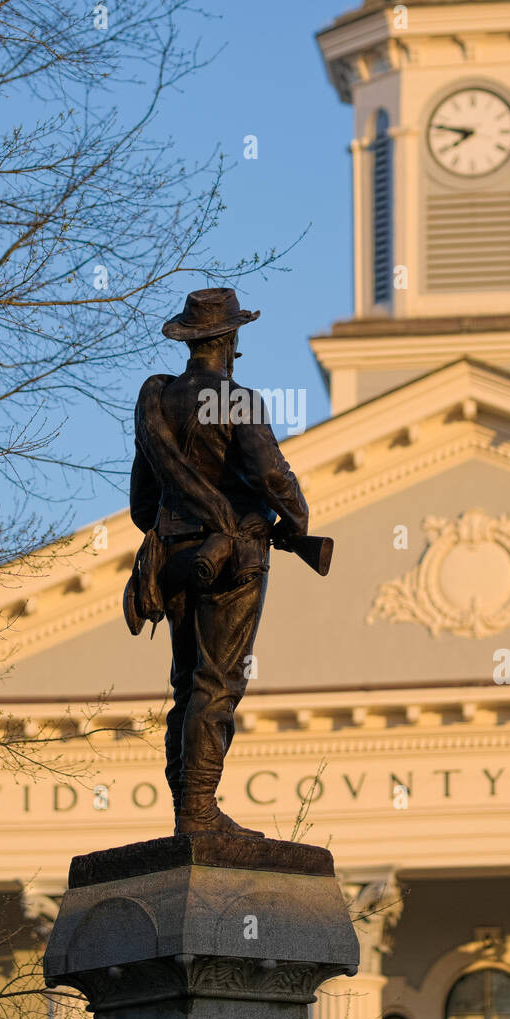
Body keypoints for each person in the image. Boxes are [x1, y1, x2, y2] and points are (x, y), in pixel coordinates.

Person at [128, 288, 308, 836]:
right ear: (230, 339)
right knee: (218, 683)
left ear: (190, 339)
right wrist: (297, 519)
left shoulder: (157, 403)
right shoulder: (239, 400)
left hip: (173, 557)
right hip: (233, 559)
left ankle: (188, 809)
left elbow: (141, 504)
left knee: (187, 685)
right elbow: (271, 475)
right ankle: (200, 811)